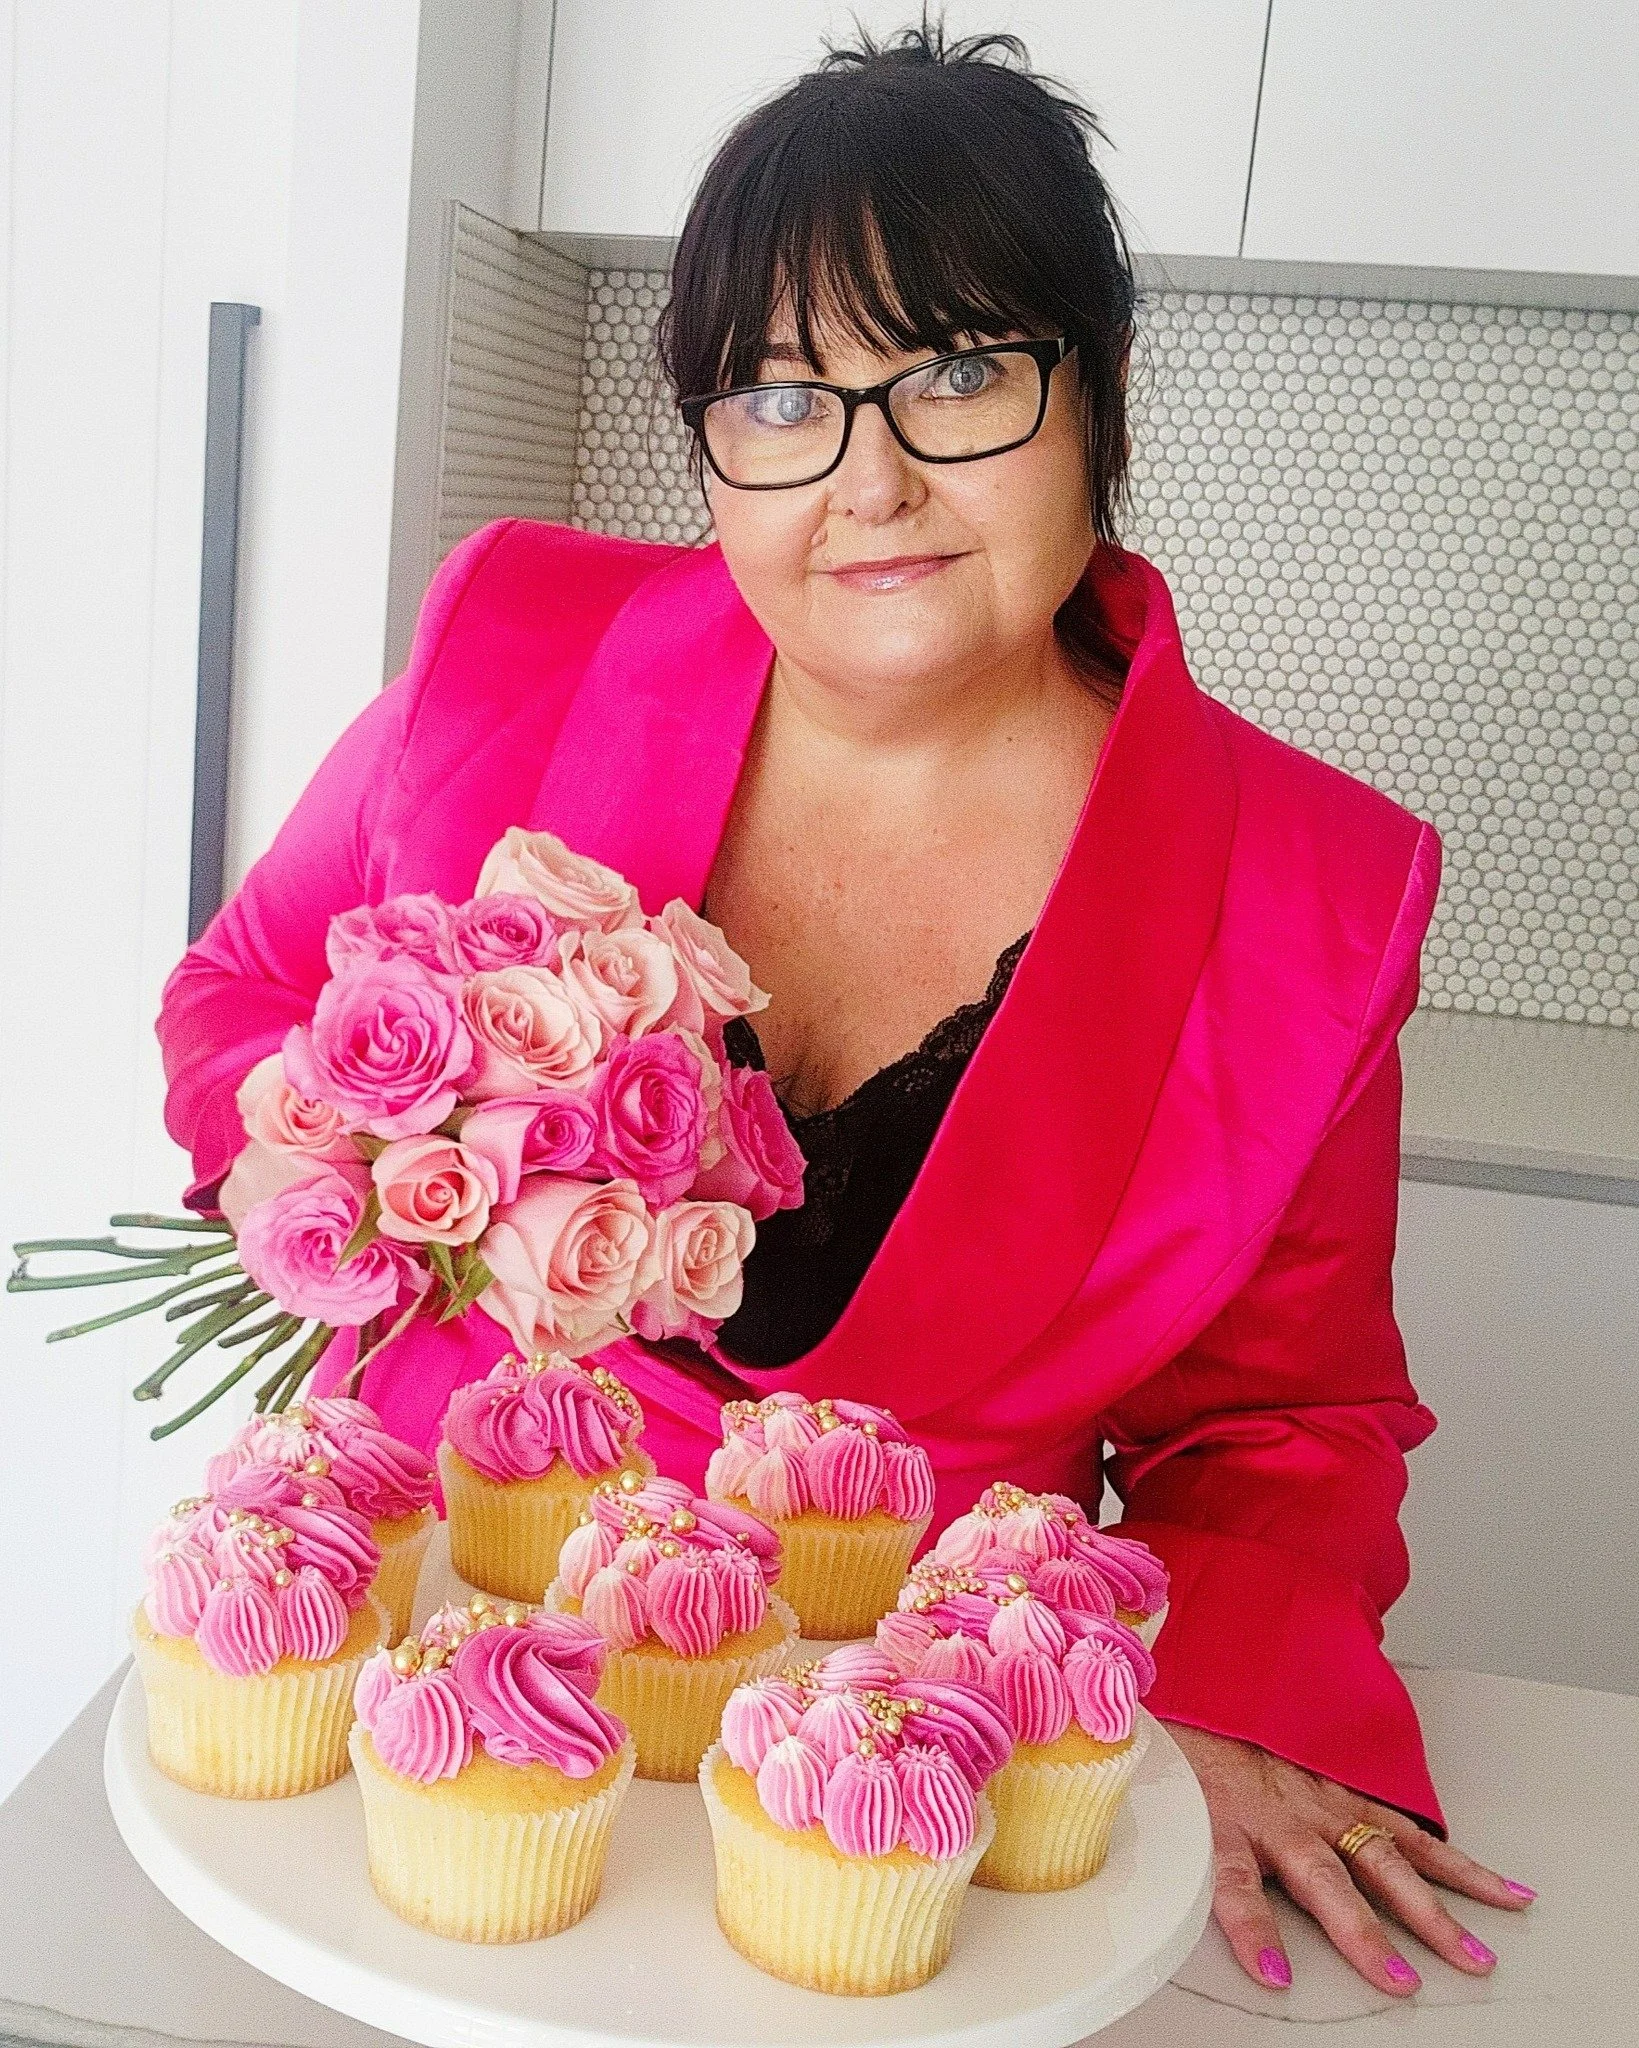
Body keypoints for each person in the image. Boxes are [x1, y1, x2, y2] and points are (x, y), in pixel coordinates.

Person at [156, 18, 1534, 1995]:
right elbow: (248, 1003)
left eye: (960, 373)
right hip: (426, 1724)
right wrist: (363, 1164)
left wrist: (1227, 1692)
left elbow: (1284, 1418)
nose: (869, 481)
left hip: (903, 1794)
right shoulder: (514, 659)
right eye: (783, 397)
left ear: (1104, 392)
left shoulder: (1307, 895)